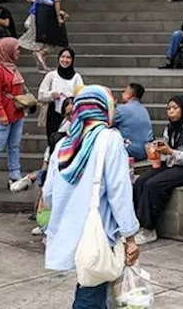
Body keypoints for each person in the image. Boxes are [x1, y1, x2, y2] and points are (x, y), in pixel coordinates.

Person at [43, 86, 141, 308]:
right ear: (102, 108)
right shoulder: (109, 140)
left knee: (93, 288)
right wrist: (130, 236)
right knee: (90, 295)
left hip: (70, 231)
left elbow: (48, 194)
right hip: (98, 233)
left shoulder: (63, 145)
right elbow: (119, 192)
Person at [133, 95, 183, 243]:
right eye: (169, 108)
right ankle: (136, 224)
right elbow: (168, 152)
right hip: (175, 163)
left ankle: (149, 228)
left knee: (154, 185)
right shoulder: (169, 129)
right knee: (141, 181)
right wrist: (158, 153)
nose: (171, 111)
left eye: (175, 108)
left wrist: (170, 152)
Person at [0, 38, 30, 196]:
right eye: (17, 48)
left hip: (16, 113)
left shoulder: (12, 67)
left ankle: (15, 175)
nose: (19, 51)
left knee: (14, 146)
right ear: (7, 49)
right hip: (2, 115)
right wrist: (2, 114)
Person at [37, 48, 84, 151]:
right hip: (53, 113)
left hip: (69, 115)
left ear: (72, 60)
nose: (65, 60)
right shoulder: (51, 76)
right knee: (52, 141)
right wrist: (51, 95)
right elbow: (40, 95)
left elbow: (81, 95)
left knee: (67, 142)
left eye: (68, 57)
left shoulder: (76, 77)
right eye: (62, 57)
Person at [115, 83, 154, 161]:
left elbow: (107, 122)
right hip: (146, 150)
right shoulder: (144, 110)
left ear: (129, 94)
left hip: (131, 150)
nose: (122, 93)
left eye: (124, 91)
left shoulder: (121, 109)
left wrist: (111, 107)